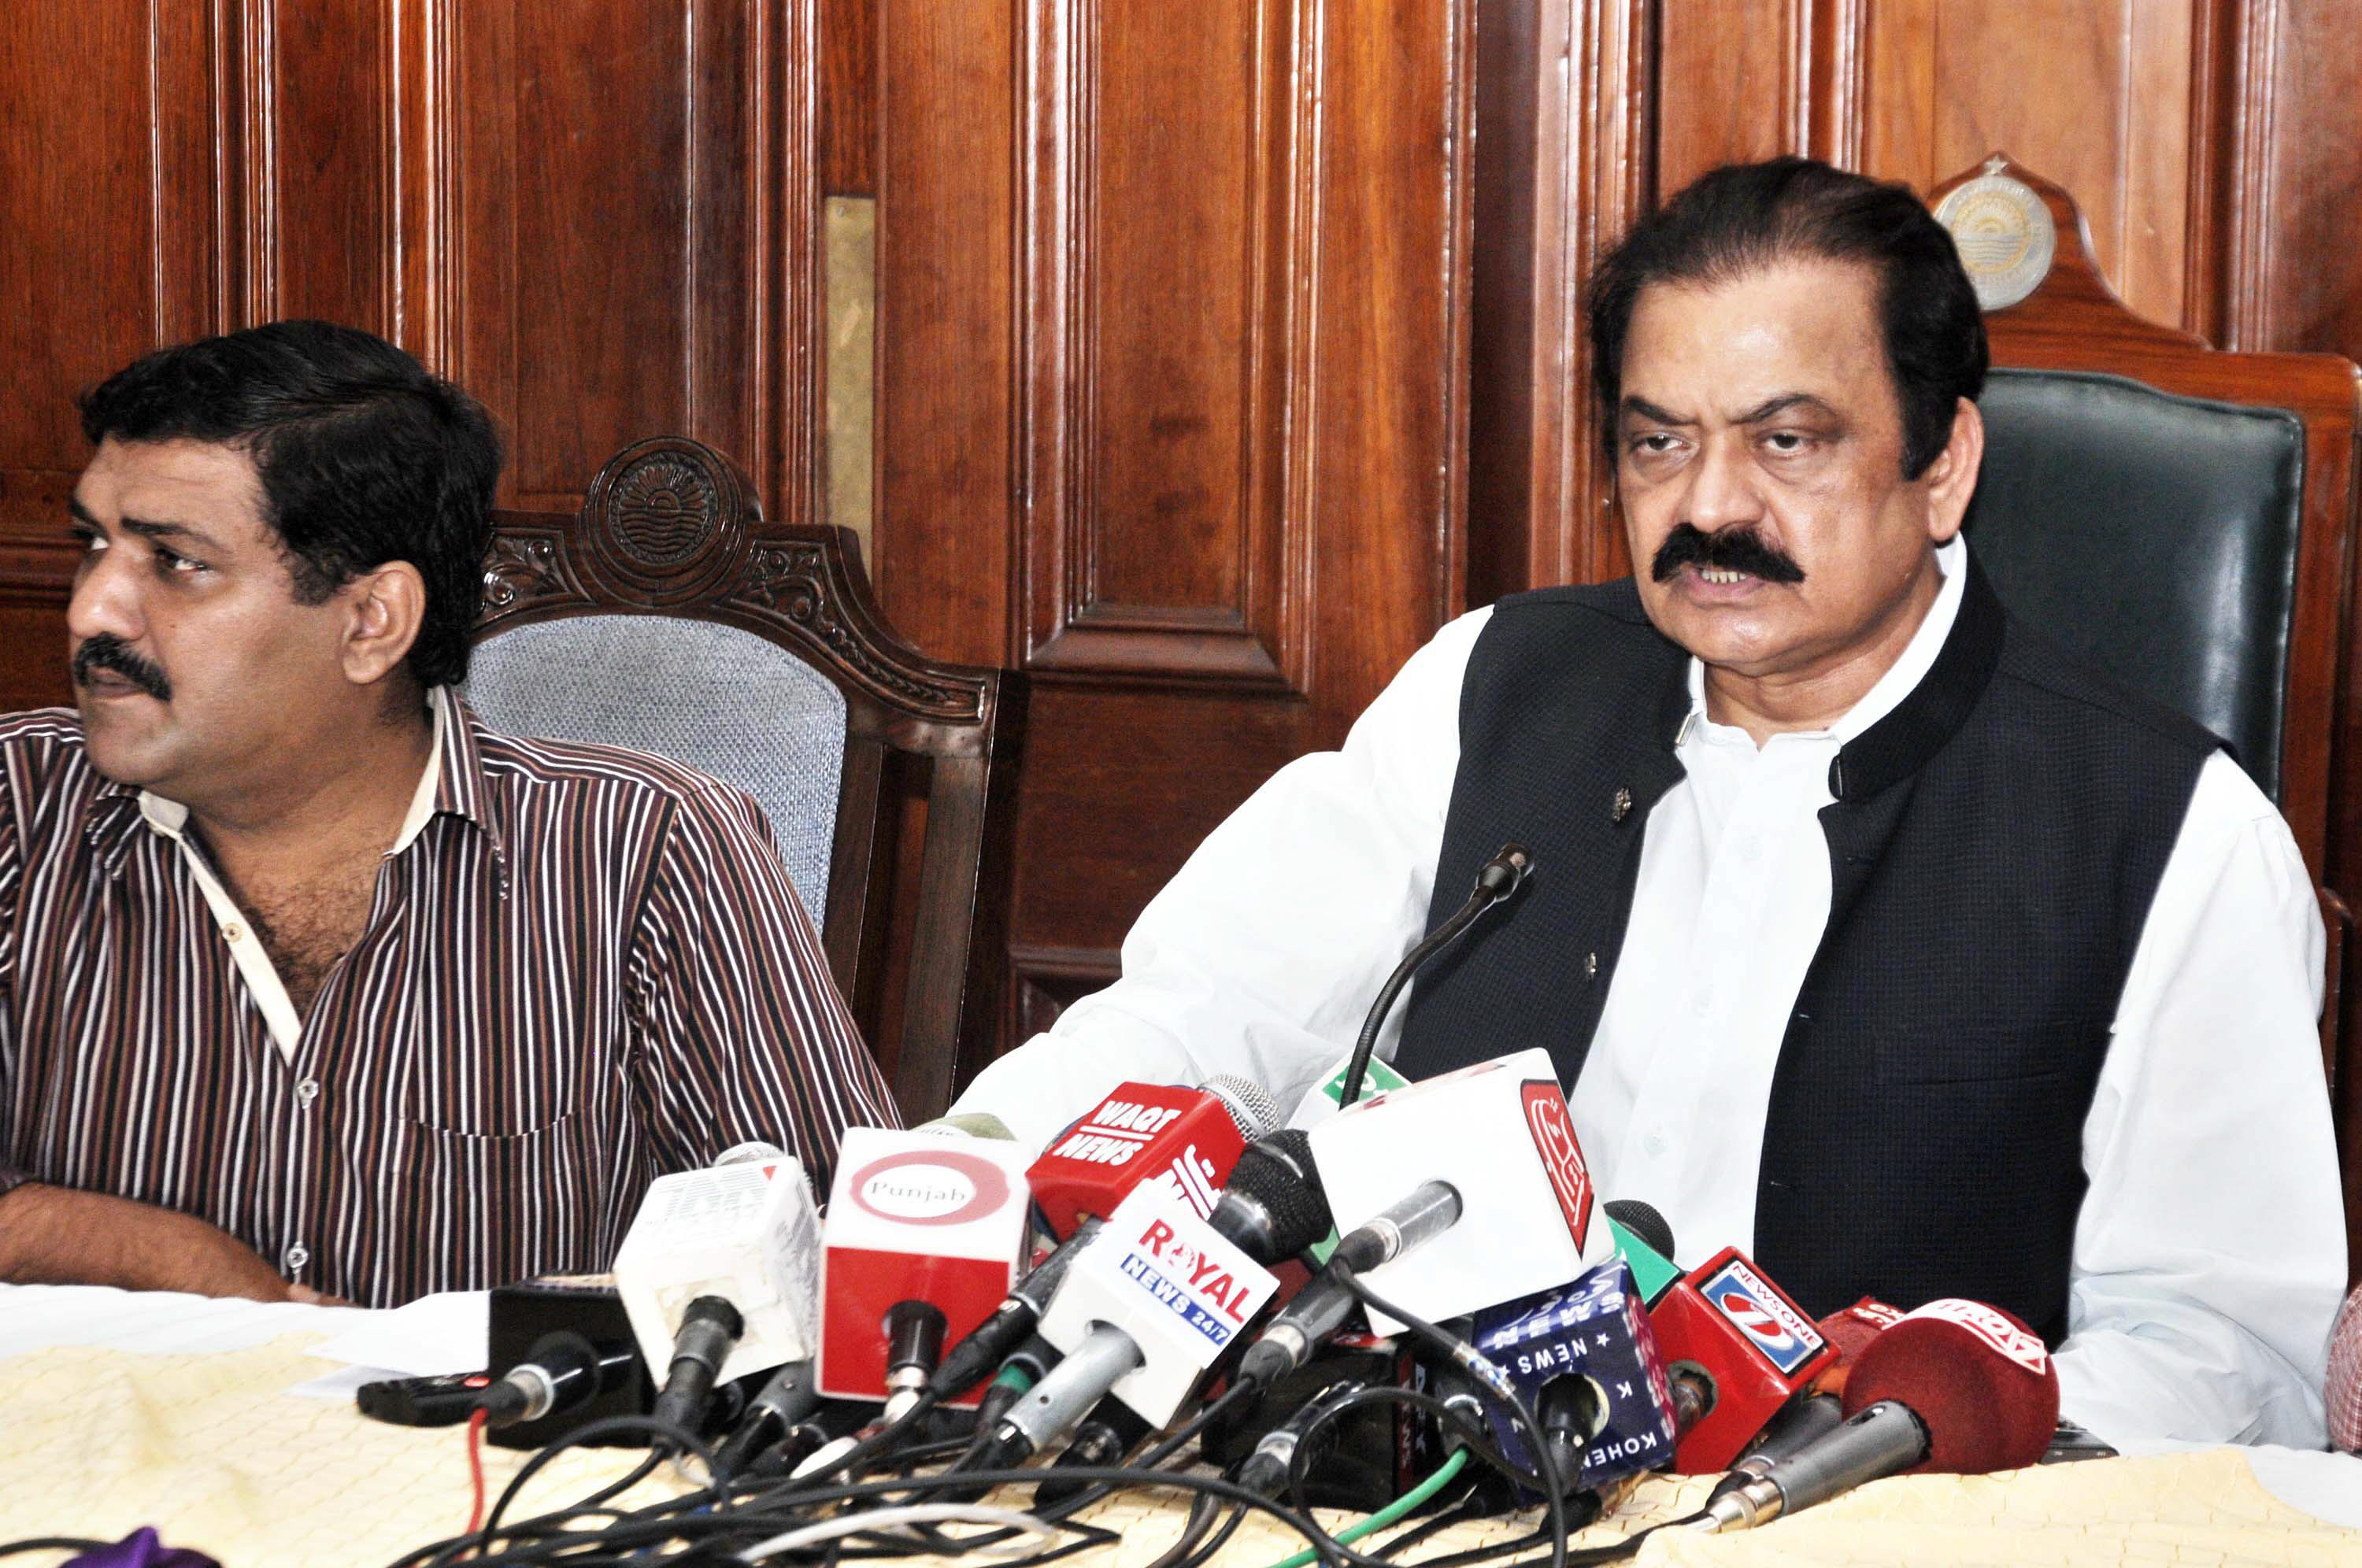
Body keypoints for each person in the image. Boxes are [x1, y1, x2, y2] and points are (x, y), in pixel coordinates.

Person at [950, 159, 2346, 1446]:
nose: (1712, 508)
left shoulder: (2176, 834)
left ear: (1946, 467)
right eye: (1659, 444)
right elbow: (1191, 1022)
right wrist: (956, 1195)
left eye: (1786, 442)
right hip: (1400, 1471)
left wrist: (1878, 1441)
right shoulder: (1489, 685)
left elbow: (2223, 1356)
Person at [0, 320, 898, 1307]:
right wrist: (138, 1252)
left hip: (496, 1452)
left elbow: (835, 1245)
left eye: (175, 562)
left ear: (372, 621)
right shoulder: (17, 807)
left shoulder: (645, 851)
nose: (92, 610)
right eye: (95, 544)